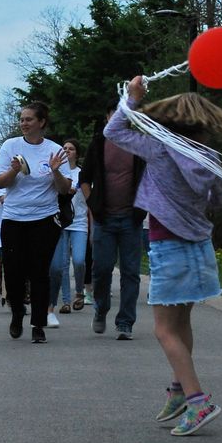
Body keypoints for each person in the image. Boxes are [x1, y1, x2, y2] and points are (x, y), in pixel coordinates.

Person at [106, 76, 222, 436]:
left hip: (168, 244)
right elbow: (221, 200)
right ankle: (179, 389)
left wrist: (132, 98)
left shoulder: (160, 148)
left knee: (163, 329)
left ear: (170, 123)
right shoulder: (210, 156)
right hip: (200, 246)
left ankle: (199, 401)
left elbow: (114, 130)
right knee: (182, 324)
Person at [0, 102, 71, 343]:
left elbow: (65, 188)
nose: (23, 123)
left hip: (44, 219)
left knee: (40, 272)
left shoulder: (55, 150)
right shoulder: (10, 146)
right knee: (15, 272)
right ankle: (17, 313)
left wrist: (56, 171)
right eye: (21, 119)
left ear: (41, 122)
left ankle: (38, 323)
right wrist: (14, 171)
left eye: (28, 119)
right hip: (14, 218)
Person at [79, 105, 146, 340]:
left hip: (131, 218)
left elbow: (150, 176)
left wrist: (144, 206)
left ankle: (125, 322)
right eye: (115, 114)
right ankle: (101, 308)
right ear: (108, 117)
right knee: (102, 269)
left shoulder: (138, 143)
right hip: (104, 218)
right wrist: (93, 205)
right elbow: (84, 178)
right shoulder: (98, 144)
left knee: (130, 272)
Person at [48, 139, 88, 322]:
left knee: (79, 260)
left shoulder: (82, 174)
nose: (67, 151)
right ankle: (65, 301)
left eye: (71, 149)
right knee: (62, 263)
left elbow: (89, 200)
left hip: (79, 221)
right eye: (64, 148)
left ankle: (79, 291)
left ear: (77, 154)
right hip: (61, 221)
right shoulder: (56, 171)